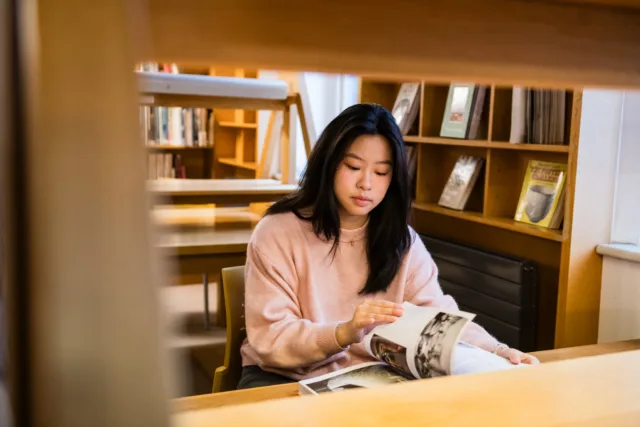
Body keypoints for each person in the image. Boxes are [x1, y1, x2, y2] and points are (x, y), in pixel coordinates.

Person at [237, 103, 539, 389]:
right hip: (283, 377)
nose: (366, 183)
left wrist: (496, 350)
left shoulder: (401, 239)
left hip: (368, 377)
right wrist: (343, 332)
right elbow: (271, 340)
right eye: (353, 167)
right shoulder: (278, 232)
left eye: (381, 172)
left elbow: (437, 316)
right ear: (327, 164)